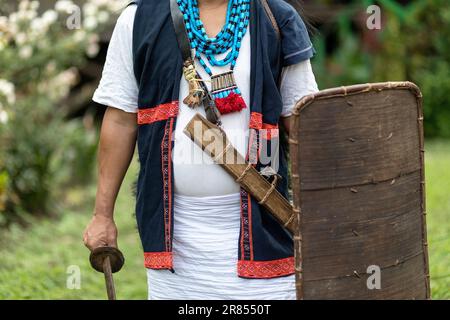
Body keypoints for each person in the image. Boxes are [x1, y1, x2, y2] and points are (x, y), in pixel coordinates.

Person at [83, 0, 318, 300]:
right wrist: (102, 215)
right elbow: (120, 120)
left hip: (264, 230)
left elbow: (305, 124)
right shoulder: (138, 19)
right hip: (176, 238)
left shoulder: (276, 18)